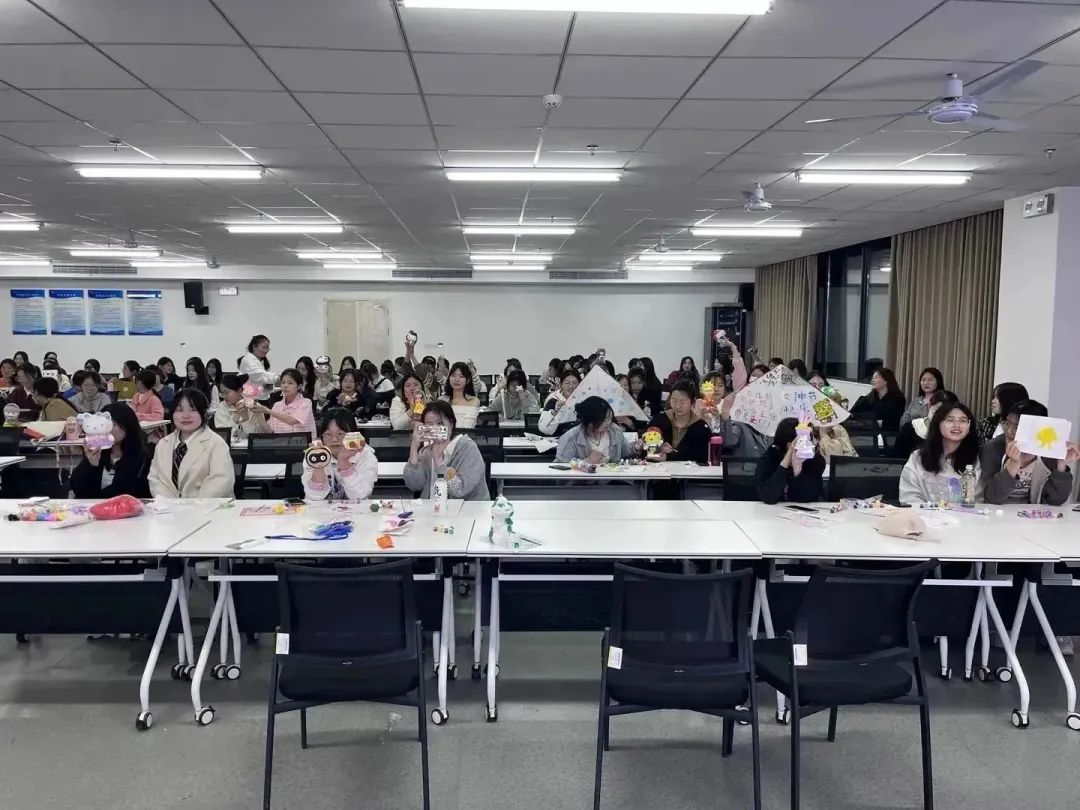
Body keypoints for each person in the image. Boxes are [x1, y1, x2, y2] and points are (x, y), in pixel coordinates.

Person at [980, 400, 1078, 505]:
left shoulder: (1048, 452)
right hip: (997, 512)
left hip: (1031, 513)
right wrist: (1013, 465)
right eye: (1007, 423)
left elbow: (1056, 500)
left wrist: (1061, 464)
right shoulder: (993, 449)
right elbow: (992, 498)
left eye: (1017, 427)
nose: (1009, 431)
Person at [149, 389, 235, 498]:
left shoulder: (217, 444)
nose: (185, 415)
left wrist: (190, 506)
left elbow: (221, 483)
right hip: (168, 507)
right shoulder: (163, 444)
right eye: (179, 410)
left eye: (193, 409)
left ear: (204, 413)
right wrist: (170, 504)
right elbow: (155, 479)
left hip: (207, 506)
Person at [403, 400, 490, 500]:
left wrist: (439, 464)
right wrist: (414, 448)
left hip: (465, 508)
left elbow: (460, 490)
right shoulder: (426, 452)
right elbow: (414, 485)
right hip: (433, 507)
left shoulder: (468, 449)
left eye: (440, 423)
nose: (435, 428)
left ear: (451, 423)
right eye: (429, 424)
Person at [899, 403, 982, 505]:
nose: (957, 425)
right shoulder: (918, 458)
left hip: (964, 514)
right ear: (938, 424)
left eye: (963, 421)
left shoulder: (975, 461)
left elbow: (978, 500)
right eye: (950, 420)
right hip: (924, 514)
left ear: (969, 427)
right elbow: (909, 498)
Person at [70, 403, 150, 498]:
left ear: (128, 426)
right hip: (92, 505)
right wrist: (90, 464)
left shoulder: (142, 458)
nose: (108, 429)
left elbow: (128, 492)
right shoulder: (98, 451)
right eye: (104, 424)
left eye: (114, 424)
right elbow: (78, 490)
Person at [302, 408, 378, 502]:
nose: (334, 439)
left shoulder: (366, 456)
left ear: (353, 434)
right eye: (328, 434)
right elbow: (314, 497)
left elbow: (359, 496)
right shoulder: (314, 454)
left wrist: (344, 463)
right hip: (321, 510)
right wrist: (319, 467)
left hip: (356, 510)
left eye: (340, 433)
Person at [754, 416, 826, 504]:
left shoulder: (815, 461)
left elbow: (809, 497)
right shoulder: (770, 457)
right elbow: (768, 497)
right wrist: (785, 463)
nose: (810, 446)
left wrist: (797, 470)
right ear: (789, 445)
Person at [555, 396, 637, 463]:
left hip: (613, 478)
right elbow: (560, 469)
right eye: (604, 419)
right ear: (590, 422)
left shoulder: (615, 430)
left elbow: (627, 452)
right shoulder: (571, 438)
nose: (609, 422)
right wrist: (586, 461)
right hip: (583, 479)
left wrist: (636, 447)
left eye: (610, 418)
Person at [647, 380, 711, 463]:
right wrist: (657, 448)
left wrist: (669, 457)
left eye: (682, 402)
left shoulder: (701, 427)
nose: (678, 406)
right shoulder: (659, 420)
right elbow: (647, 447)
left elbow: (700, 455)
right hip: (659, 469)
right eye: (674, 401)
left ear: (693, 402)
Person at [892, 389, 958, 460]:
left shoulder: (956, 432)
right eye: (937, 410)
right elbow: (898, 460)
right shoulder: (910, 428)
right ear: (930, 406)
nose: (941, 416)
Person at [256, 368, 316, 439]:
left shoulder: (306, 402)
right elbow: (269, 431)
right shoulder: (277, 406)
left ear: (299, 386)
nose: (285, 386)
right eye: (283, 382)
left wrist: (268, 411)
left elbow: (291, 420)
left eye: (290, 383)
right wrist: (258, 414)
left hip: (304, 444)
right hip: (281, 444)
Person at [214, 373, 270, 443]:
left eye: (226, 393)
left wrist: (246, 420)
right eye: (222, 393)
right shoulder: (222, 406)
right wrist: (236, 416)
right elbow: (221, 433)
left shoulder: (254, 407)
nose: (224, 396)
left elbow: (256, 436)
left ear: (239, 391)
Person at [849, 367, 906, 431]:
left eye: (876, 377)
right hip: (865, 432)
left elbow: (892, 423)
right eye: (872, 378)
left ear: (886, 381)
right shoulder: (867, 399)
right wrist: (874, 421)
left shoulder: (898, 399)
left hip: (888, 434)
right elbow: (851, 415)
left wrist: (866, 419)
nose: (872, 380)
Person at [537, 369, 581, 436]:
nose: (571, 386)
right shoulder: (553, 400)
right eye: (567, 383)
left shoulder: (584, 401)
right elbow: (544, 429)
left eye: (574, 383)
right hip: (557, 439)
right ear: (561, 384)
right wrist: (556, 412)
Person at [440, 361, 481, 428]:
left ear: (468, 380)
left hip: (464, 434)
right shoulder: (441, 400)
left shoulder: (474, 401)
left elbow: (467, 427)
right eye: (453, 376)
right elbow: (438, 425)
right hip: (444, 434)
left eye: (461, 376)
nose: (456, 379)